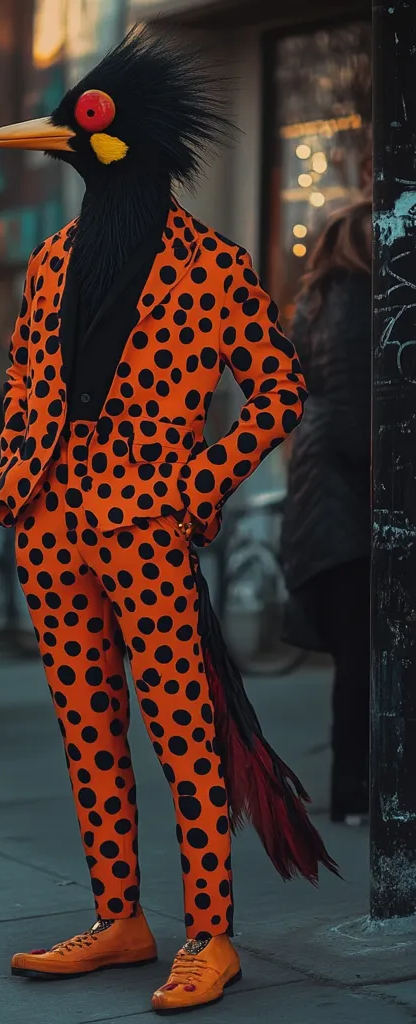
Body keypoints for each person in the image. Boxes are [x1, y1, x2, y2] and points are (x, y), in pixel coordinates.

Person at [0, 27, 337, 1015]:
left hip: (144, 519)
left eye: (83, 122)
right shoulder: (50, 263)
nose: (63, 136)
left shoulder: (211, 265)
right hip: (51, 522)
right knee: (86, 724)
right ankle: (120, 916)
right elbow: (22, 379)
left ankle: (209, 932)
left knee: (183, 729)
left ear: (125, 141)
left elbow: (277, 394)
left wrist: (200, 482)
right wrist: (16, 469)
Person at [280, 199, 371, 825]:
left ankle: (354, 793)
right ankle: (360, 793)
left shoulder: (315, 301)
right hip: (349, 507)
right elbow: (359, 415)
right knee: (367, 658)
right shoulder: (360, 302)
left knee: (355, 657)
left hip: (321, 504)